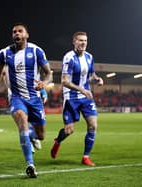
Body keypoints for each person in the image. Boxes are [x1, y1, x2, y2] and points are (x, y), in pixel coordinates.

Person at [0, 23, 52, 178]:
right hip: (16, 98)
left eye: (20, 31)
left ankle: (32, 136)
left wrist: (44, 83)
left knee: (41, 135)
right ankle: (30, 164)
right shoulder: (5, 53)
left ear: (27, 35)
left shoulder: (36, 51)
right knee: (22, 123)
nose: (17, 34)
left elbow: (48, 73)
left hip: (35, 98)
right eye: (14, 32)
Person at [50, 31, 103, 166]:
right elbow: (65, 81)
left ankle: (85, 157)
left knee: (93, 125)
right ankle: (58, 141)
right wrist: (82, 90)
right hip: (71, 98)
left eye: (85, 40)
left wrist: (97, 79)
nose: (83, 43)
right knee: (69, 130)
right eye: (80, 40)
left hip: (86, 98)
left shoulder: (89, 57)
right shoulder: (69, 57)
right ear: (74, 42)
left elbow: (91, 75)